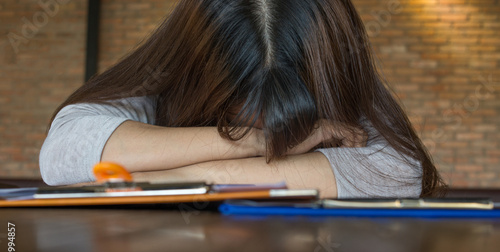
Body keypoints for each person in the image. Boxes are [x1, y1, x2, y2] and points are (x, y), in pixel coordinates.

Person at [39, 0, 446, 199]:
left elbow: (398, 172)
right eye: (239, 111)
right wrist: (253, 143)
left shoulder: (345, 118)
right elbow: (61, 155)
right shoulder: (159, 93)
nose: (265, 125)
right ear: (196, 75)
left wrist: (171, 180)